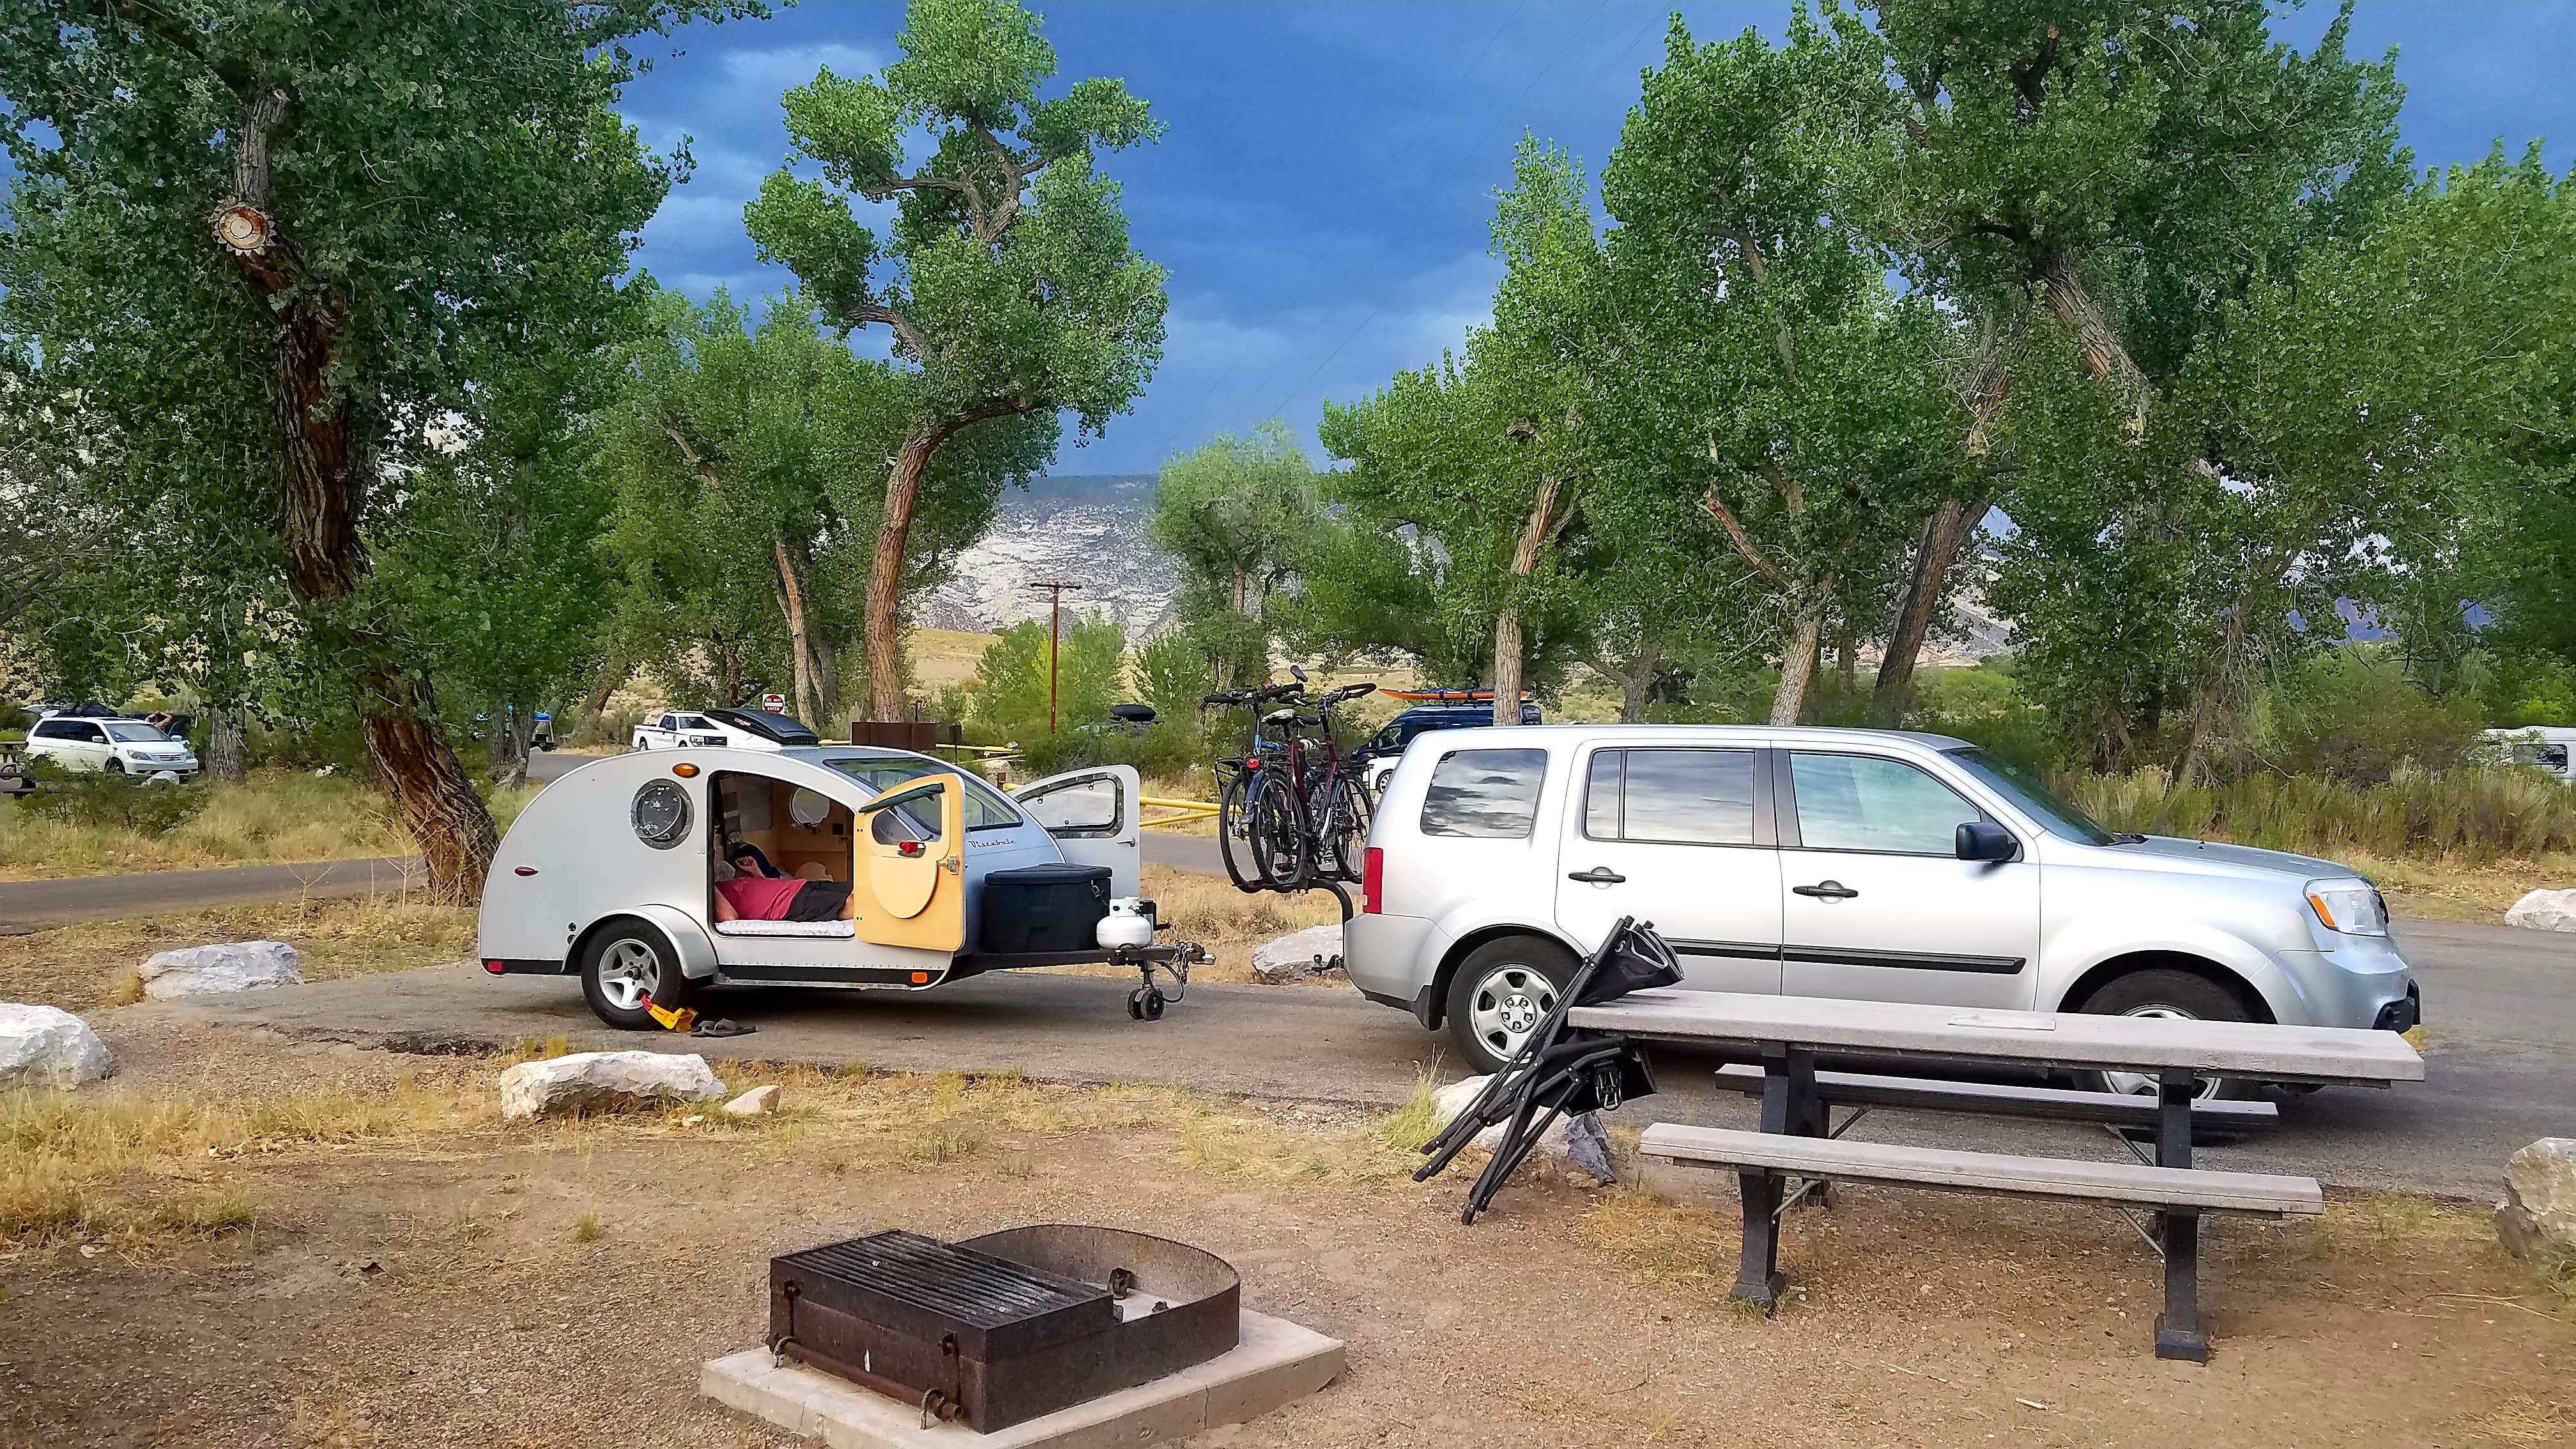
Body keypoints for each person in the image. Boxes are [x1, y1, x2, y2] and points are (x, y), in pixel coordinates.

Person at [712, 843, 854, 923]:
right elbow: (730, 919)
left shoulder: (722, 886)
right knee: (852, 906)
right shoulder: (708, 896)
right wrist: (706, 883)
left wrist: (755, 872)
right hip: (788, 905)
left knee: (857, 888)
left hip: (797, 887)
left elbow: (761, 891)